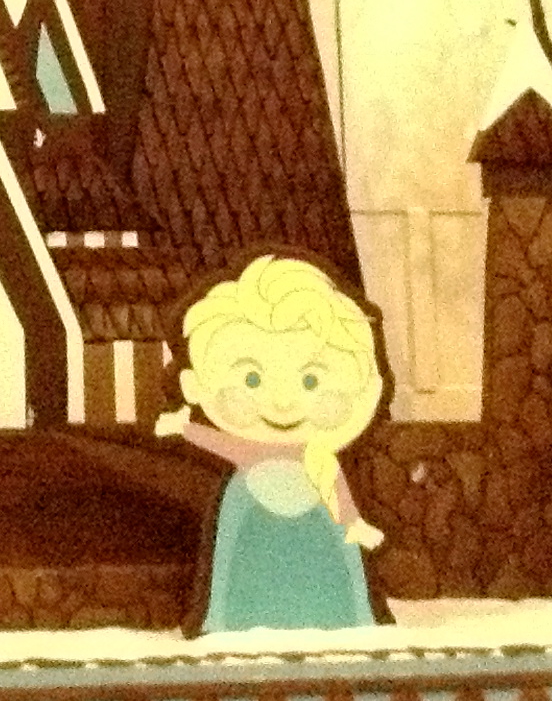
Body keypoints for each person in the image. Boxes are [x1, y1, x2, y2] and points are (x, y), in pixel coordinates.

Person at [155, 255, 387, 631]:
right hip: (250, 516)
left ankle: (351, 616)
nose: (282, 402)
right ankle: (226, 619)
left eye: (311, 381)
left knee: (339, 565)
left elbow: (337, 492)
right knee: (236, 558)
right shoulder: (249, 462)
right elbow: (229, 447)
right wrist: (184, 428)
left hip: (319, 528)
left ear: (366, 387)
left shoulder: (321, 464)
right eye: (251, 379)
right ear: (193, 384)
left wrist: (353, 523)